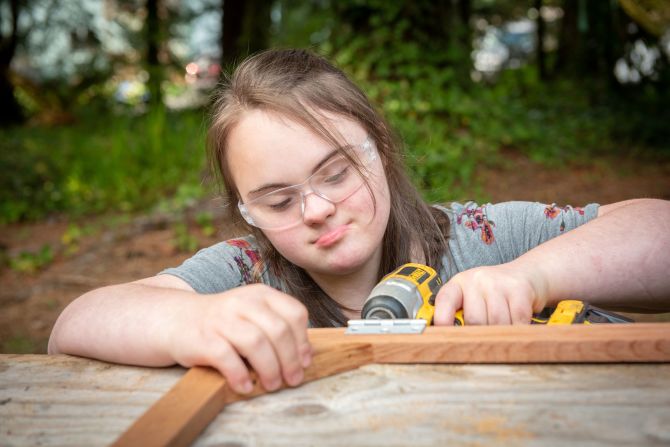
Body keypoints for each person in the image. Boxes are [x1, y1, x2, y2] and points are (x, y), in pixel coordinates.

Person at [49, 48, 670, 396]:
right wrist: (188, 318)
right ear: (246, 211)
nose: (316, 209)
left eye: (337, 172)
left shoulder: (477, 239)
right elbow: (73, 327)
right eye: (277, 199)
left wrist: (532, 278)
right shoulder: (247, 274)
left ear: (381, 149)